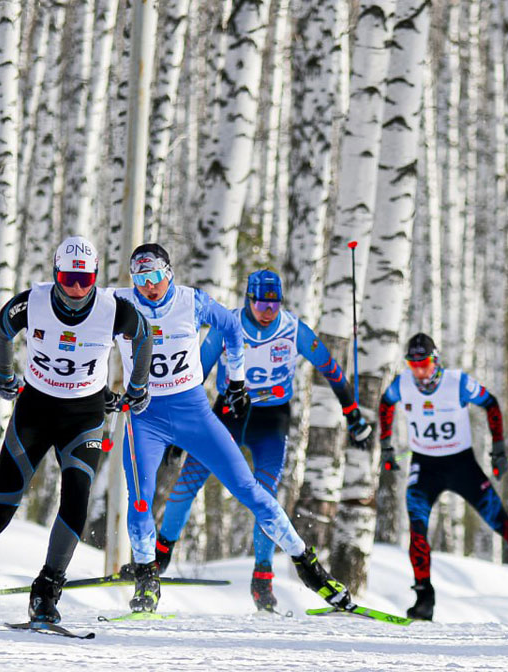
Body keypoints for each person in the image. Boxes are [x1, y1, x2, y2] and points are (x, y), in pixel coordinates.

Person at [0, 236, 153, 626]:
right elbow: (3, 330)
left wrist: (138, 388)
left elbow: (144, 336)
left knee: (75, 503)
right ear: (55, 274)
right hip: (34, 412)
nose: (75, 289)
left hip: (83, 417)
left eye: (84, 280)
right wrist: (5, 376)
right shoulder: (33, 301)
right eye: (68, 278)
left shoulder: (112, 308)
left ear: (96, 278)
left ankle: (46, 594)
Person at [113, 243, 352, 614]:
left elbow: (229, 325)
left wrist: (237, 380)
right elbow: (76, 324)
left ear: (169, 273)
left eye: (156, 275)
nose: (149, 285)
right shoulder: (118, 302)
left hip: (193, 413)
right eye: (141, 278)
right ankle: (148, 575)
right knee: (141, 497)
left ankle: (309, 566)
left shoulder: (192, 301)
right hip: (146, 418)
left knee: (249, 490)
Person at [378, 333, 508, 620]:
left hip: (462, 466)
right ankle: (424, 597)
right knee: (417, 530)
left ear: (435, 361)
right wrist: (386, 445)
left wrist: (498, 448)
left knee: (503, 524)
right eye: (413, 365)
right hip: (424, 467)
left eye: (423, 364)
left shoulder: (457, 382)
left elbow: (491, 403)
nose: (419, 372)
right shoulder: (403, 384)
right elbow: (386, 404)